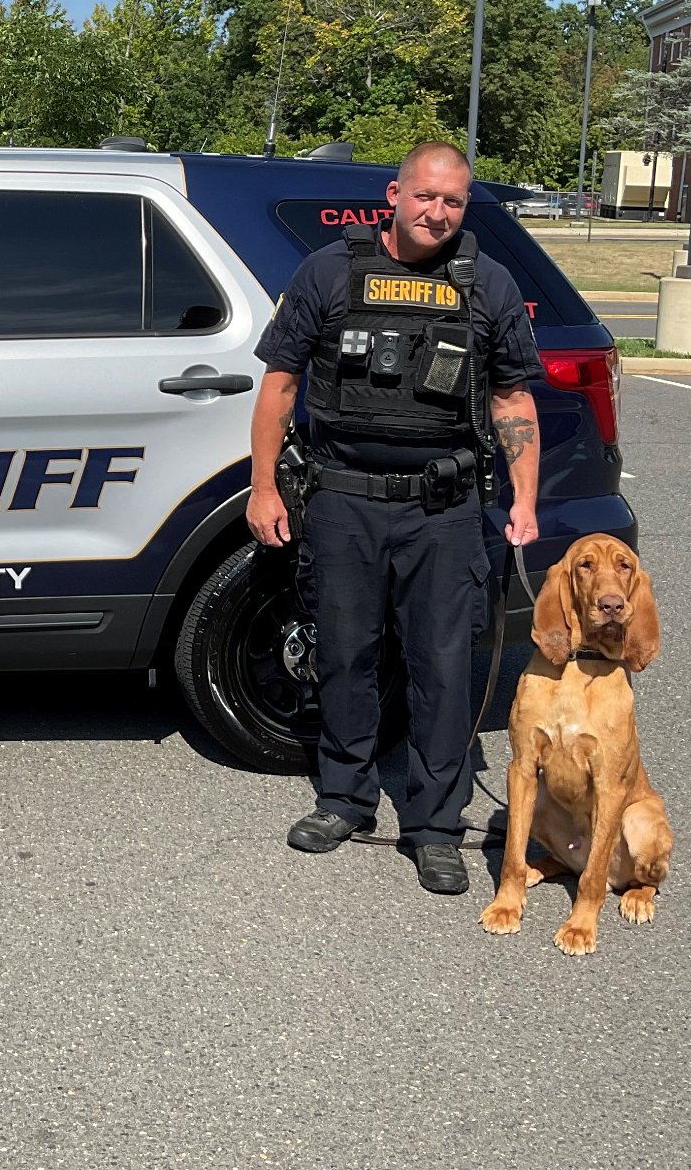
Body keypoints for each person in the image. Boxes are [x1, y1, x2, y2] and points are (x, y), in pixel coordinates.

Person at [246, 141, 541, 896]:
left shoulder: (488, 285)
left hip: (442, 508)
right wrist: (263, 487)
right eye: (425, 197)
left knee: (442, 668)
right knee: (345, 654)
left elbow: (512, 400)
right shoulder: (329, 273)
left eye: (452, 202)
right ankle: (343, 799)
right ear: (395, 195)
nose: (437, 213)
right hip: (343, 501)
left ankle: (435, 826)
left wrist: (525, 500)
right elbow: (279, 384)